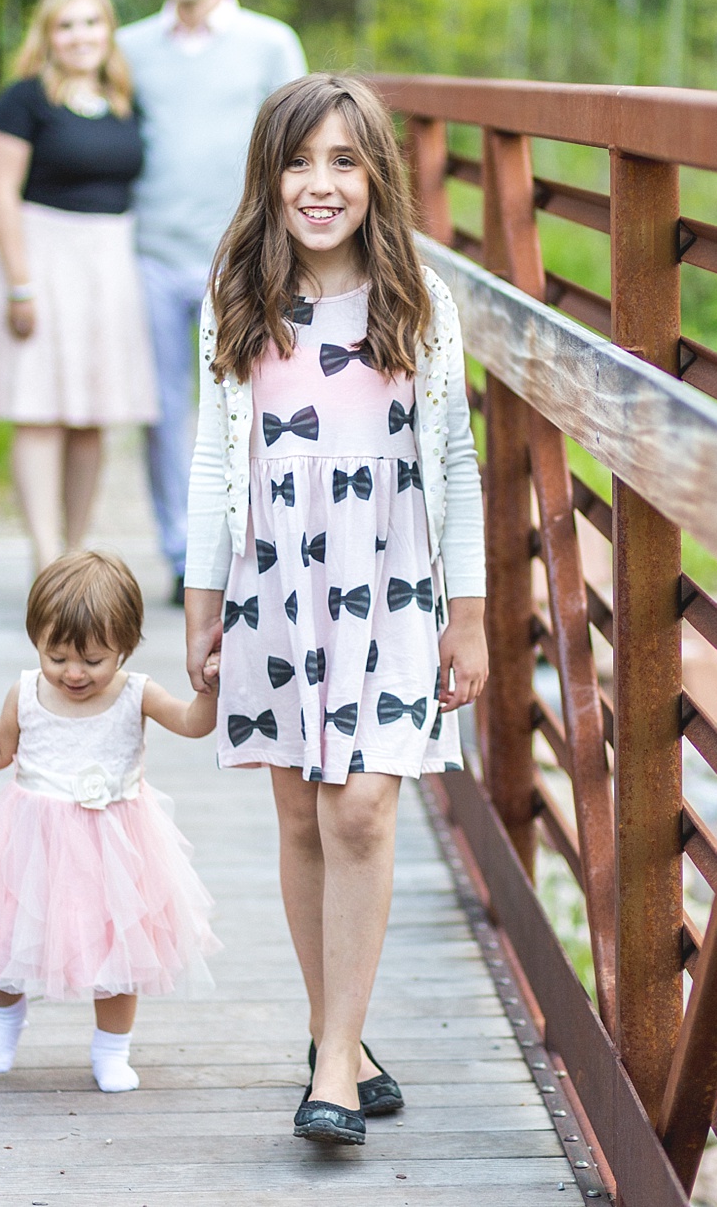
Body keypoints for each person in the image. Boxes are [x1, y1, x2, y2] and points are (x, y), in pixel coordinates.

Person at [181, 74, 487, 1144]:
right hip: (276, 578)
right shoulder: (240, 292)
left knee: (362, 805)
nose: (321, 184)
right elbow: (214, 452)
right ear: (269, 175)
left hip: (393, 572)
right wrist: (201, 593)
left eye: (344, 161)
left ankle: (337, 1078)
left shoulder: (419, 301)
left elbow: (453, 457)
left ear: (375, 176)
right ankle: (337, 1039)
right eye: (299, 160)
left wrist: (471, 610)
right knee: (303, 813)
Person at [0, 551, 220, 1092]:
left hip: (118, 846)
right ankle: (7, 1016)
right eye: (56, 657)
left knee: (121, 952)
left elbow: (193, 724)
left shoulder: (137, 692)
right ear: (37, 643)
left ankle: (112, 1049)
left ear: (124, 649)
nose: (73, 673)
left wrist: (211, 691)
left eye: (93, 660)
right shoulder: (27, 692)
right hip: (31, 844)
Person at [122, 0, 308, 601]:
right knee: (163, 410)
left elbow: (301, 139)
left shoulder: (269, 41)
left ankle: (254, 542)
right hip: (151, 248)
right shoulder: (132, 47)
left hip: (243, 254)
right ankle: (181, 555)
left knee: (255, 398)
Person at [0, 0, 158, 571]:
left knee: (91, 414)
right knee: (41, 409)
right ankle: (45, 556)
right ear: (48, 34)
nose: (81, 36)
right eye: (67, 25)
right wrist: (20, 284)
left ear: (109, 32)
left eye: (92, 23)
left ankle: (75, 555)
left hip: (107, 264)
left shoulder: (126, 102)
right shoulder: (23, 100)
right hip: (40, 257)